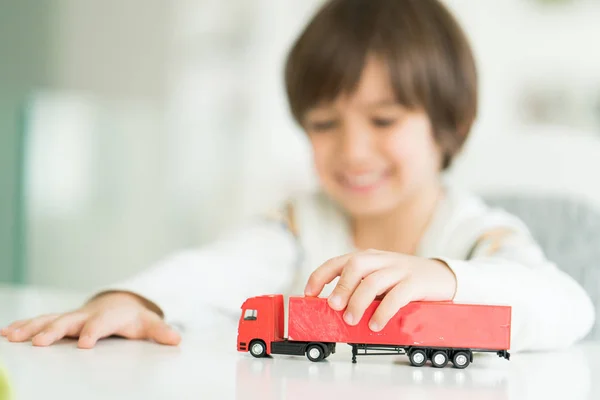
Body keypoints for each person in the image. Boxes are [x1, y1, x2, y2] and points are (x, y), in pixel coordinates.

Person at [2, 0, 595, 351]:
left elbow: (569, 309)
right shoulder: (297, 224)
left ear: (450, 126)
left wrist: (445, 277)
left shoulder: (476, 234)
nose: (353, 149)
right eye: (324, 123)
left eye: (383, 119)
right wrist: (131, 300)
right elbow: (215, 269)